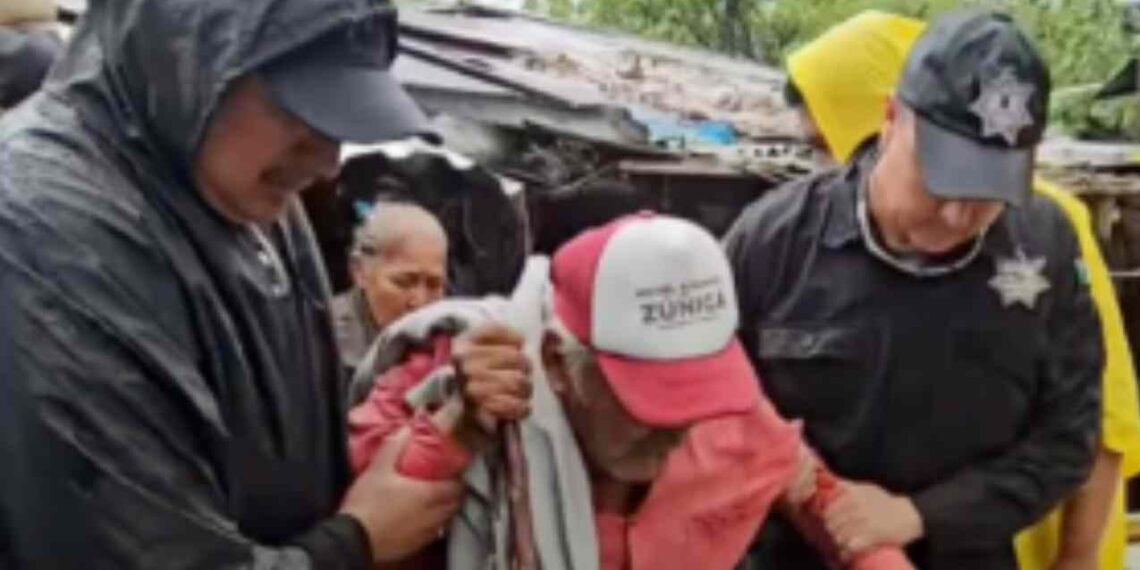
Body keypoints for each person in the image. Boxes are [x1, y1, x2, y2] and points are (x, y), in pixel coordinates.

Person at [0, 0, 515, 567]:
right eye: (301, 111)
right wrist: (353, 543)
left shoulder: (252, 197)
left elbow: (280, 456)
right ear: (186, 62)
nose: (327, 161)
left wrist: (436, 434)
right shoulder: (49, 230)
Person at [725, 10, 1103, 570]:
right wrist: (809, 495)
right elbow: (708, 413)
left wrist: (918, 515)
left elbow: (1068, 440)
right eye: (940, 179)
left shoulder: (1044, 244)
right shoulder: (772, 243)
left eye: (986, 192)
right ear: (890, 120)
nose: (955, 215)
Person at [349, 213, 914, 569]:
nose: (675, 431)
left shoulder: (727, 413)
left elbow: (822, 499)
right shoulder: (458, 376)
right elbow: (366, 531)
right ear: (557, 361)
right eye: (651, 399)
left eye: (695, 394)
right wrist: (456, 431)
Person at [333, 201, 448, 373]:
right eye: (404, 282)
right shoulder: (323, 342)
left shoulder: (449, 341)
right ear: (360, 271)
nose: (419, 301)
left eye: (434, 285)